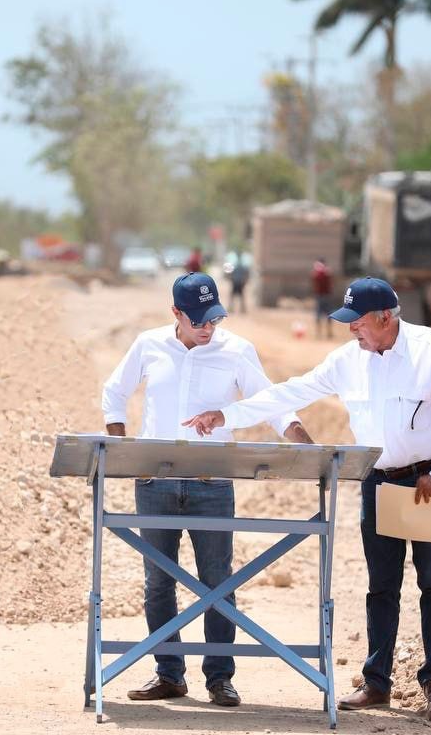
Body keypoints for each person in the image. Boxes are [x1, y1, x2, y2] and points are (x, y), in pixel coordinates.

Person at [183, 277, 431, 712]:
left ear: (384, 318)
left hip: (426, 482)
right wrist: (225, 414)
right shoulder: (347, 360)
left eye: (356, 322)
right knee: (381, 586)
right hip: (377, 480)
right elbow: (289, 392)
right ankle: (377, 682)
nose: (350, 330)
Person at [102, 272, 314, 708]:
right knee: (158, 583)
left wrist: (304, 441)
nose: (206, 327)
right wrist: (122, 446)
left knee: (218, 580)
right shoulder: (148, 345)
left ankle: (219, 677)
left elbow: (270, 400)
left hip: (211, 484)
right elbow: (114, 391)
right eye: (196, 319)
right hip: (155, 483)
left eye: (213, 318)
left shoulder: (236, 350)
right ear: (175, 313)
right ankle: (168, 673)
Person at [311, 258, 334, 339]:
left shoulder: (319, 272)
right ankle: (326, 332)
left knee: (321, 314)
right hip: (325, 295)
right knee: (327, 315)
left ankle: (321, 333)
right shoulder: (327, 272)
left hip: (322, 296)